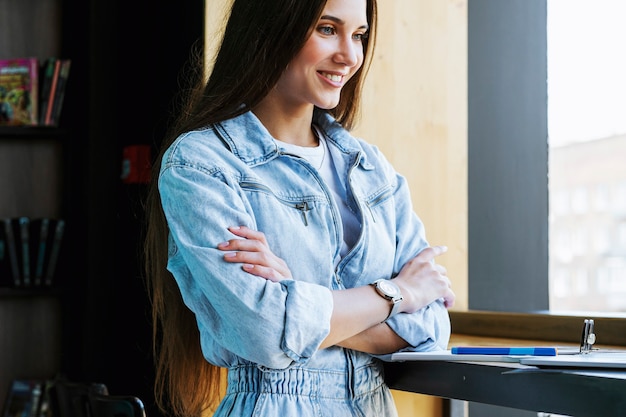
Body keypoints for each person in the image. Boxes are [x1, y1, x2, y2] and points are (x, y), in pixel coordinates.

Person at [144, 0, 456, 416]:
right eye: (327, 29)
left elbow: (431, 329)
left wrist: (299, 298)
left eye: (359, 35)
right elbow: (266, 332)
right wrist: (399, 292)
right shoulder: (201, 164)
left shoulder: (371, 169)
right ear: (271, 30)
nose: (350, 55)